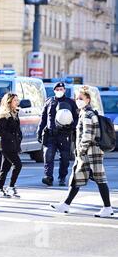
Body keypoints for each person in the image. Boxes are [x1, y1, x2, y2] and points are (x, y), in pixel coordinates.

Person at [50, 86, 114, 218]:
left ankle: (107, 208)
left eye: (81, 98)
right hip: (88, 152)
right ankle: (65, 205)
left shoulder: (87, 114)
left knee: (99, 179)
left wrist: (81, 151)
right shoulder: (87, 112)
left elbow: (87, 135)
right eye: (77, 98)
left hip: (91, 152)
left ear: (88, 100)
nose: (78, 100)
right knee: (77, 177)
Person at [37, 82, 78, 187]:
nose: (59, 91)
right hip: (50, 135)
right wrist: (39, 131)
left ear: (64, 90)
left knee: (64, 158)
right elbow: (43, 118)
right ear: (54, 90)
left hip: (65, 135)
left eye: (61, 89)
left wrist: (72, 126)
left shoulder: (70, 102)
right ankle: (48, 177)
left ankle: (62, 178)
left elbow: (77, 118)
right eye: (57, 89)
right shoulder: (49, 102)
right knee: (48, 156)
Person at [0, 93, 23, 198]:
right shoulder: (4, 115)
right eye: (15, 100)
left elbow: (17, 129)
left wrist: (19, 137)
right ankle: (11, 187)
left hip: (13, 144)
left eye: (17, 100)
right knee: (18, 164)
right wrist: (11, 137)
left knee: (5, 167)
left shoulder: (15, 113)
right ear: (9, 102)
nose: (17, 102)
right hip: (6, 144)